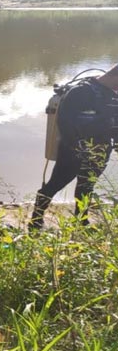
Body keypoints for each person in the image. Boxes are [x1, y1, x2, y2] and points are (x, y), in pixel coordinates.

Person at [30, 67, 118, 230]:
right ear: (114, 76)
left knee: (87, 186)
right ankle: (36, 218)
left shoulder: (113, 96)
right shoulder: (80, 92)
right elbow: (64, 122)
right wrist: (76, 147)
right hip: (73, 149)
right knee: (55, 184)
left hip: (100, 149)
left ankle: (81, 221)